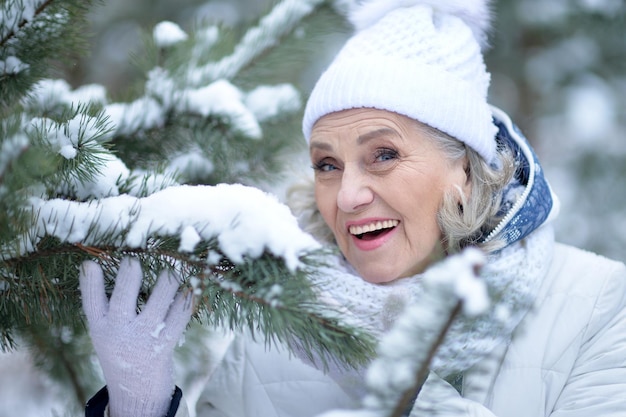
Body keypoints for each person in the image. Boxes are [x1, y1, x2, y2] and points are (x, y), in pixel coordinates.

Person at [79, 1, 626, 416]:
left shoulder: (601, 307)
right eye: (327, 164)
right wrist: (140, 407)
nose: (346, 195)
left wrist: (374, 358)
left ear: (464, 170)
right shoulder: (277, 332)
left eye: (383, 155)